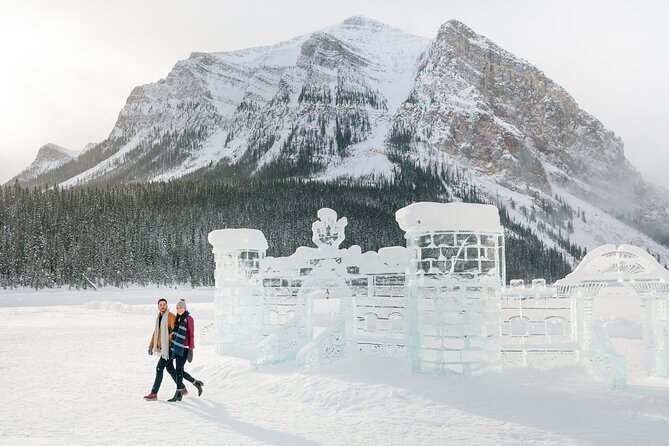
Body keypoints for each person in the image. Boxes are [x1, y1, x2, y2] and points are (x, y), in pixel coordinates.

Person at [167, 299, 204, 402]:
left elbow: (191, 335)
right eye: (177, 308)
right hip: (176, 347)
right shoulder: (177, 319)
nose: (179, 309)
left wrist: (191, 349)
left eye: (181, 307)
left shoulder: (189, 319)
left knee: (179, 369)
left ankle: (179, 393)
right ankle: (196, 383)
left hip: (185, 348)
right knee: (179, 370)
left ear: (185, 308)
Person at [143, 298, 178, 401]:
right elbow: (156, 333)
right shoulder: (159, 317)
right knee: (170, 369)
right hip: (164, 348)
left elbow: (175, 331)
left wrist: (167, 338)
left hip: (169, 348)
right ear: (158, 306)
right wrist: (151, 346)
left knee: (159, 368)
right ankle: (183, 388)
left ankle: (154, 393)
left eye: (164, 304)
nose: (163, 306)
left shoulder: (171, 317)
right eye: (161, 305)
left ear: (167, 306)